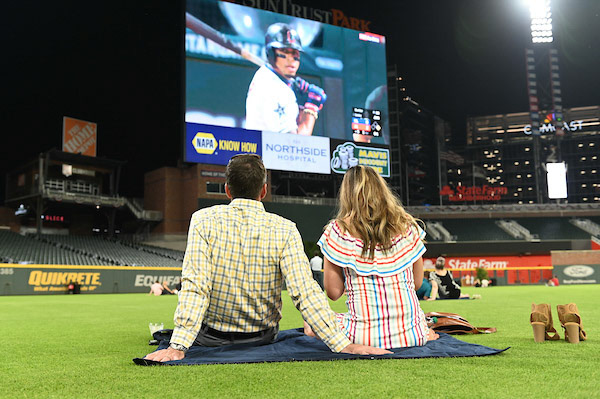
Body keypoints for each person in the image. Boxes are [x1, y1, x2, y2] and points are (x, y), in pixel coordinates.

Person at [144, 154, 389, 362]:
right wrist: (341, 344)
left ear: (227, 190)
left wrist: (178, 346)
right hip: (262, 338)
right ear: (264, 190)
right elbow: (305, 291)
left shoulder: (202, 220)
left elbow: (196, 286)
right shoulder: (286, 228)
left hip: (210, 338)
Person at [309, 165, 438, 349]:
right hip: (413, 335)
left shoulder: (337, 230)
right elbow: (417, 284)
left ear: (347, 194)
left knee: (313, 322)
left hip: (361, 337)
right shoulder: (407, 226)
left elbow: (333, 293)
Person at [245, 23, 326, 135]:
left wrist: (300, 104)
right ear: (272, 54)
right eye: (285, 53)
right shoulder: (280, 90)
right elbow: (296, 144)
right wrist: (311, 108)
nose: (291, 60)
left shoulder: (263, 74)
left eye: (294, 54)